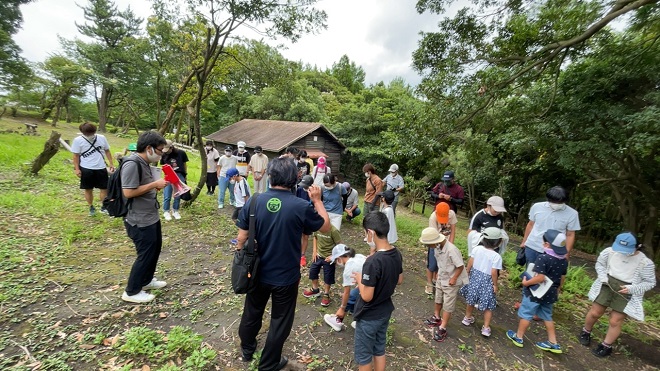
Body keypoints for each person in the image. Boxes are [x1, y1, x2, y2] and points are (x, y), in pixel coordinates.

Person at [235, 157, 331, 371]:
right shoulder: (301, 206)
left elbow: (241, 238)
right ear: (294, 178)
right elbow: (325, 227)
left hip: (257, 271)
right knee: (280, 320)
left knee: (252, 310)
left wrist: (242, 255)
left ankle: (247, 349)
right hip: (286, 276)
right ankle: (269, 363)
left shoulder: (254, 201)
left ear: (270, 176)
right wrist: (317, 200)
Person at [579, 232, 656, 358]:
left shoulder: (645, 263)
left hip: (627, 289)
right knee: (595, 312)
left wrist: (633, 288)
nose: (623, 252)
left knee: (615, 320)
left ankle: (606, 346)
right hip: (608, 283)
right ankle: (585, 332)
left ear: (638, 246)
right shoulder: (609, 252)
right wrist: (602, 276)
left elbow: (650, 282)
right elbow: (600, 264)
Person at [120, 131, 168, 303]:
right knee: (145, 254)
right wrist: (155, 184)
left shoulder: (144, 162)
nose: (161, 154)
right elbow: (128, 191)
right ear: (149, 148)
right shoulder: (132, 164)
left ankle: (146, 281)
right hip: (138, 219)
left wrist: (153, 186)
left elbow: (142, 186)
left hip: (150, 216)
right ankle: (132, 291)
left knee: (154, 249)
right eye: (160, 150)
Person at [353, 211, 403, 371]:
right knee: (379, 348)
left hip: (369, 316)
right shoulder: (396, 253)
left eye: (365, 233)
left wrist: (361, 280)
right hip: (385, 311)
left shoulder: (373, 262)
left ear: (371, 233)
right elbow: (400, 279)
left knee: (364, 356)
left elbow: (367, 296)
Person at [506, 229, 569, 354]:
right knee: (547, 316)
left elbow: (540, 277)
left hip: (536, 292)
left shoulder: (543, 258)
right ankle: (553, 342)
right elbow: (562, 277)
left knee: (526, 313)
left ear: (546, 245)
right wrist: (558, 289)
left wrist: (526, 283)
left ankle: (518, 337)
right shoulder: (564, 261)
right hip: (551, 293)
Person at [419, 227, 467, 342]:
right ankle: (437, 317)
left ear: (435, 241)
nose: (428, 247)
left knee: (448, 304)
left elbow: (460, 266)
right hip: (442, 276)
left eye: (428, 244)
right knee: (438, 297)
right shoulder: (437, 248)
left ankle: (443, 327)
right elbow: (440, 263)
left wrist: (454, 278)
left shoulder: (451, 250)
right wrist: (438, 275)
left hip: (451, 279)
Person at [459, 227, 503, 337]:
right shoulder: (496, 256)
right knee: (488, 305)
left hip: (474, 278)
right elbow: (494, 272)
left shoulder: (477, 249)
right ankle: (486, 327)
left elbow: (470, 262)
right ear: (498, 242)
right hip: (487, 282)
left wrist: (467, 272)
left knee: (471, 299)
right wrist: (495, 285)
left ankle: (467, 318)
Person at [520, 186, 581, 263]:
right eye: (554, 202)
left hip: (554, 252)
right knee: (530, 272)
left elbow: (570, 234)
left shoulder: (572, 214)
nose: (556, 204)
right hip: (533, 246)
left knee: (548, 274)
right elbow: (531, 224)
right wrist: (524, 241)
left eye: (560, 202)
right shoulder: (537, 207)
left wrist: (567, 252)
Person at [71, 122, 115, 216]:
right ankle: (91, 206)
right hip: (86, 168)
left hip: (101, 167)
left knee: (104, 188)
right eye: (88, 133)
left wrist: (111, 163)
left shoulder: (101, 138)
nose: (90, 135)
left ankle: (104, 206)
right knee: (88, 189)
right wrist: (77, 169)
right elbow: (75, 156)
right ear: (83, 133)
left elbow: (107, 151)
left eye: (92, 133)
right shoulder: (78, 140)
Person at [323, 244, 367, 331]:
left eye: (336, 261)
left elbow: (346, 292)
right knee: (355, 295)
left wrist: (342, 308)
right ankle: (359, 319)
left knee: (350, 297)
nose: (337, 264)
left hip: (371, 289)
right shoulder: (359, 256)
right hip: (379, 283)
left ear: (339, 258)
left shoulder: (348, 268)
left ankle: (338, 319)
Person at [302, 225, 342, 307]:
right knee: (313, 271)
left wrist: (333, 256)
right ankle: (315, 289)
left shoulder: (333, 231)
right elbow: (315, 237)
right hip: (318, 255)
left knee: (328, 276)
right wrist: (314, 251)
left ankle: (326, 294)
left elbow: (340, 246)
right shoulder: (317, 227)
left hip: (328, 258)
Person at [426, 202, 457, 295]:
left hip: (446, 243)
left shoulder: (452, 214)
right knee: (432, 264)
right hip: (434, 243)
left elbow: (453, 231)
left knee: (442, 264)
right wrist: (440, 248)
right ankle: (429, 283)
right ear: (436, 212)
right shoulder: (433, 217)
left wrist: (450, 246)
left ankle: (436, 279)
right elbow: (435, 236)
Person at [160, 140, 189, 221]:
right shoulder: (164, 154)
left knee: (177, 194)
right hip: (168, 175)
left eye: (167, 149)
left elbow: (184, 164)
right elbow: (163, 166)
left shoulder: (181, 153)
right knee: (167, 194)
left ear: (171, 147)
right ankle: (166, 211)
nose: (166, 151)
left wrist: (185, 175)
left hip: (179, 174)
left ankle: (175, 211)